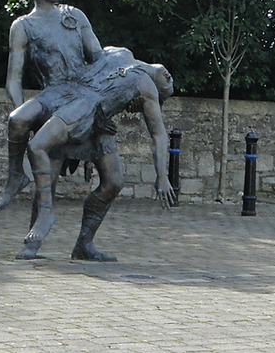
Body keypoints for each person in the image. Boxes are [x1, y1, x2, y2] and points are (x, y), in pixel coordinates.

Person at [15, 46, 177, 261]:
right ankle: (32, 243)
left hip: (99, 126)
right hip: (74, 106)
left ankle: (84, 243)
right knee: (48, 178)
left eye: (167, 86)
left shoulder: (147, 89)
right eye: (169, 80)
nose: (169, 78)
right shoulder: (119, 51)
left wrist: (162, 176)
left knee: (114, 182)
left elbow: (159, 134)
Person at [0, 0, 103, 212]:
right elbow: (14, 78)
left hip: (80, 93)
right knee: (17, 119)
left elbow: (98, 57)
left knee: (111, 180)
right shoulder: (23, 26)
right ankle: (15, 176)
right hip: (52, 93)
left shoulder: (75, 16)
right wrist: (23, 110)